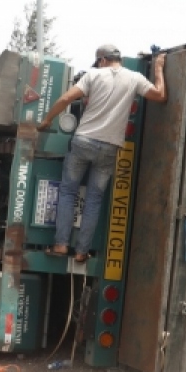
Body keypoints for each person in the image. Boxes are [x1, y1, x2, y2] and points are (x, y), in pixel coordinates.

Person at [37, 45, 167, 262]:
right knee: (94, 199)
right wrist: (159, 69)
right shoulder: (135, 78)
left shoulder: (93, 75)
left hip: (83, 142)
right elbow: (160, 95)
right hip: (109, 147)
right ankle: (81, 252)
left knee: (69, 192)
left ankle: (60, 245)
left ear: (103, 60)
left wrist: (47, 120)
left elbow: (65, 99)